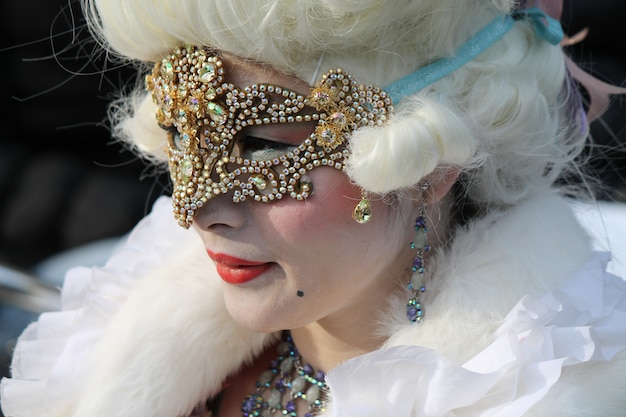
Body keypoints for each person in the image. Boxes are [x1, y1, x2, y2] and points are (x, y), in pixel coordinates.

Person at [2, 0, 626, 416]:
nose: (197, 208)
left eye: (265, 147)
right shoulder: (120, 338)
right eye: (183, 139)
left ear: (431, 162)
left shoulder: (549, 392)